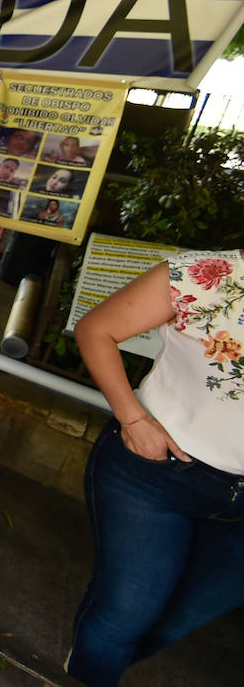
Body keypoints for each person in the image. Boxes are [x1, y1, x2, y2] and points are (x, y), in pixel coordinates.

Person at [67, 250, 244, 685]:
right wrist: (133, 419)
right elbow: (96, 330)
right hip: (157, 477)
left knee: (175, 621)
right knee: (124, 617)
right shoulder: (211, 274)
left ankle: (95, 661)